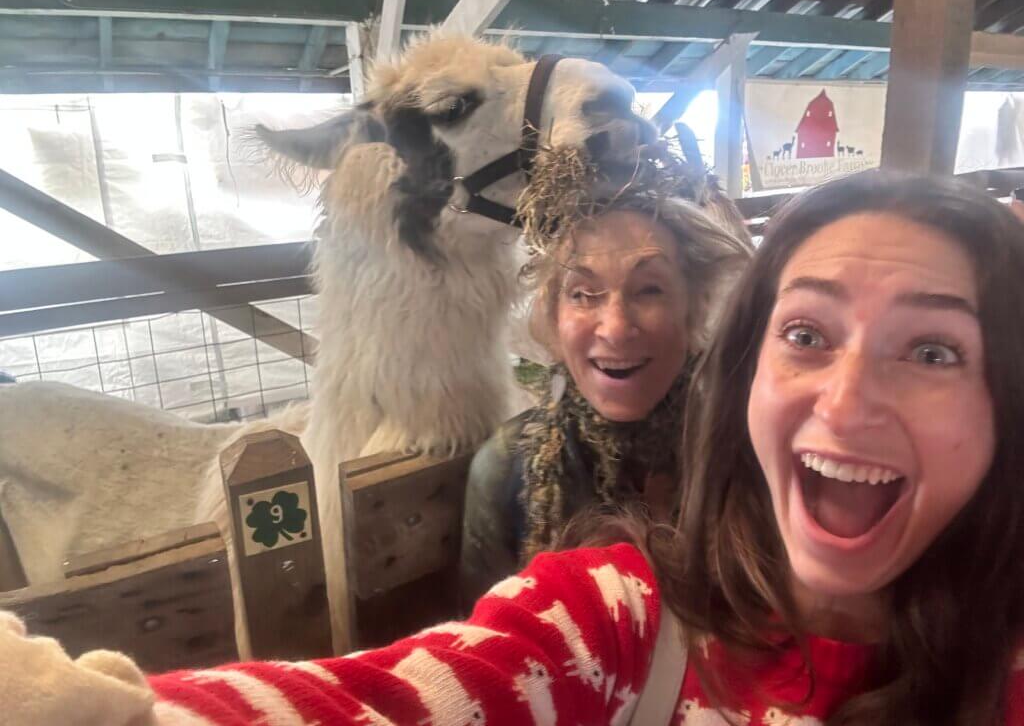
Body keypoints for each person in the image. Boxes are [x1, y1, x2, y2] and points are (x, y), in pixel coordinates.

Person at [6, 170, 1024, 725]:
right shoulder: (604, 599)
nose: (846, 401)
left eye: (932, 351)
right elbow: (463, 676)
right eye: (807, 334)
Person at [459, 175, 752, 605]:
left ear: (695, 307)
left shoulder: (741, 447)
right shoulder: (506, 470)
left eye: (649, 290)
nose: (615, 328)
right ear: (554, 318)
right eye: (583, 294)